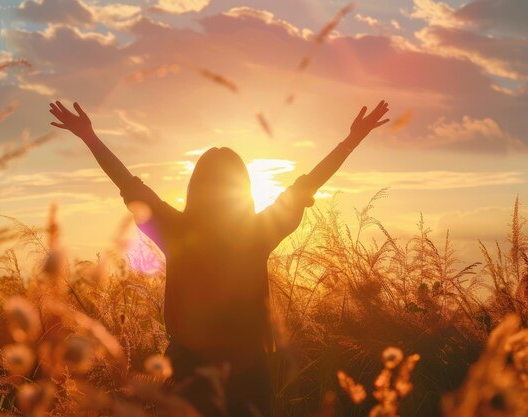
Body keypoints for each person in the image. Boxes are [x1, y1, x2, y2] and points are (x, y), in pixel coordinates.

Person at [49, 100, 389, 416]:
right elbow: (306, 187)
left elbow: (128, 184)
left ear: (196, 187)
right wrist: (350, 141)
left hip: (188, 371)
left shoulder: (176, 230)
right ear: (243, 190)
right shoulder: (256, 233)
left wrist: (90, 137)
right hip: (248, 374)